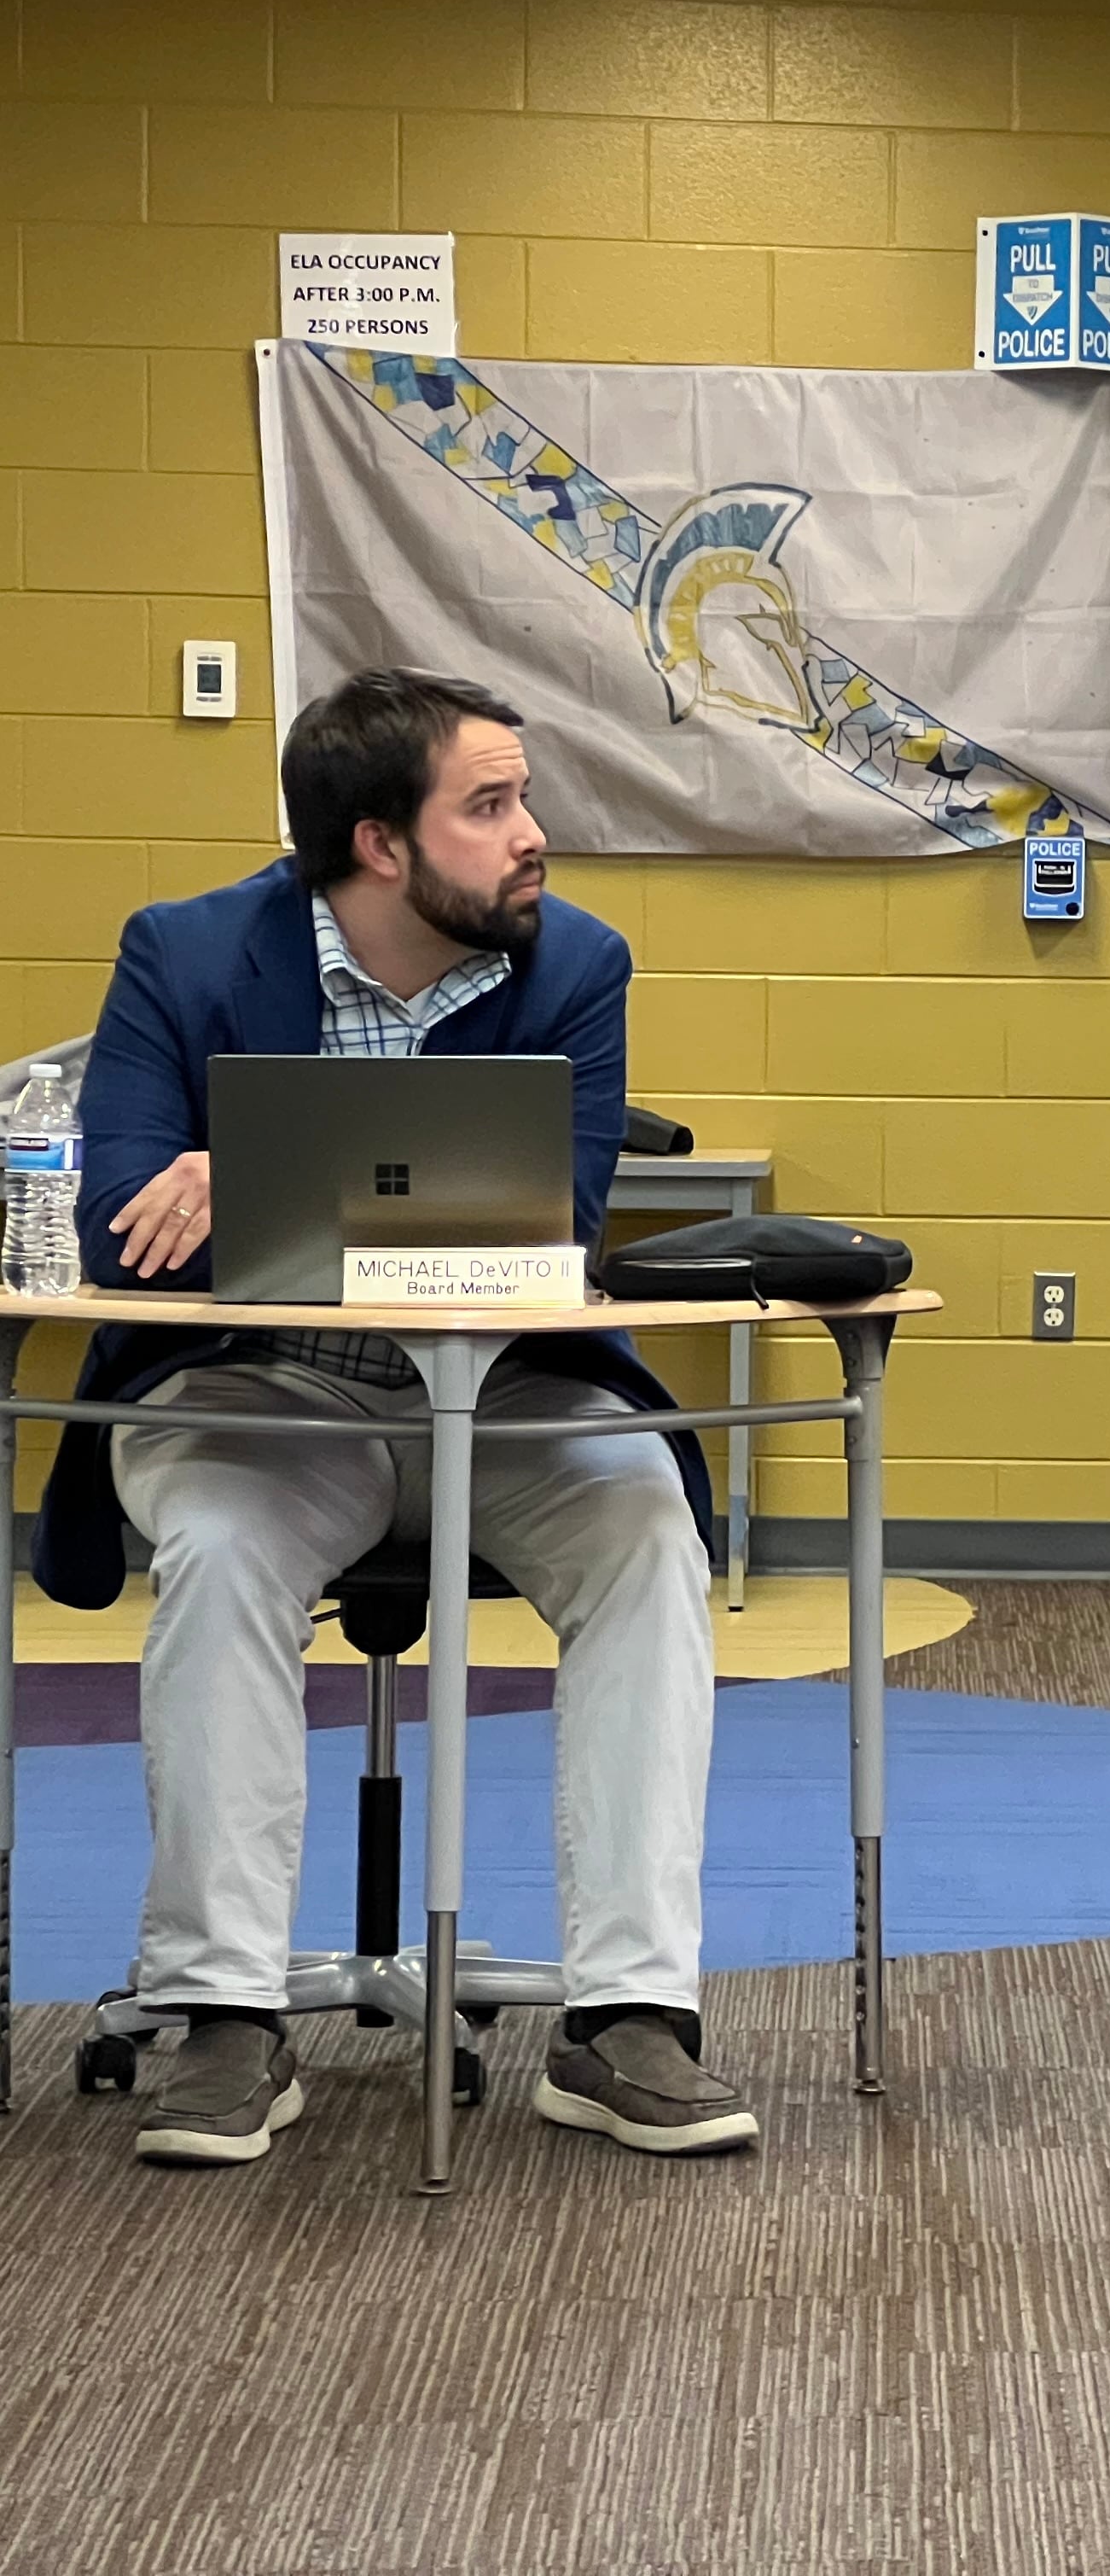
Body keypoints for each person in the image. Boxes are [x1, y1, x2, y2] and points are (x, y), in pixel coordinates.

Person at [44, 667, 753, 2166]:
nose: (532, 835)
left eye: (525, 798)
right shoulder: (181, 955)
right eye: (489, 807)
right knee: (225, 1551)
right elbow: (118, 1231)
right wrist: (238, 1192)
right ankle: (225, 2016)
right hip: (263, 1394)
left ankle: (628, 2017)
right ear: (379, 845)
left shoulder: (576, 964)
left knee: (645, 1529)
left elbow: (549, 1226)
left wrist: (259, 1172)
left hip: (506, 1393)